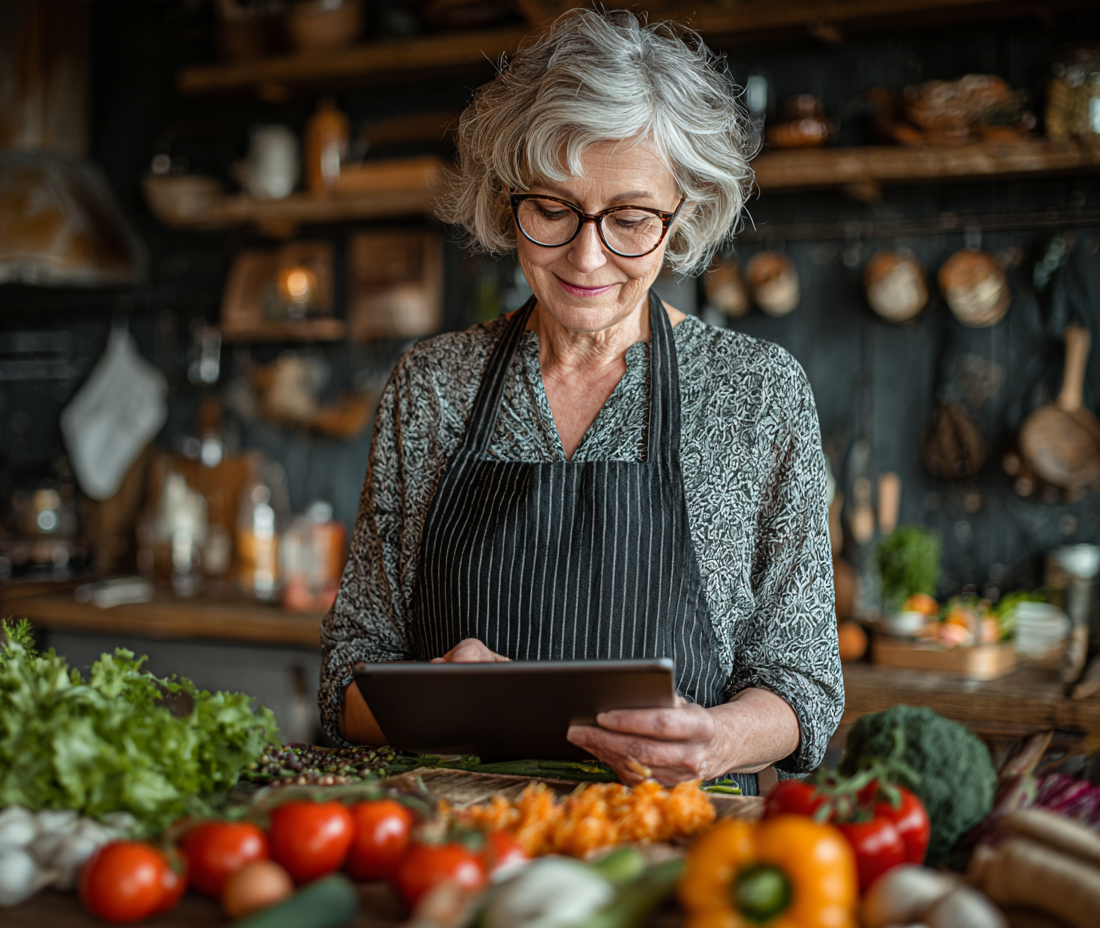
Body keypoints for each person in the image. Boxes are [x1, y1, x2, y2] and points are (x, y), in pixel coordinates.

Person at [318, 9, 842, 793]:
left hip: (668, 838)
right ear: (508, 200)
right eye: (553, 209)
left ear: (683, 213)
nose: (587, 257)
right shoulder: (431, 386)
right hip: (461, 841)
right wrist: (438, 701)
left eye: (630, 219)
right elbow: (345, 682)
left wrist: (719, 740)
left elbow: (804, 686)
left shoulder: (757, 392)